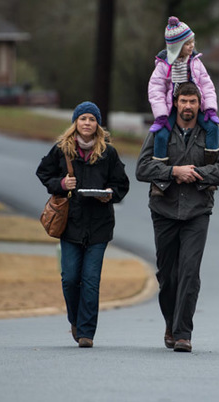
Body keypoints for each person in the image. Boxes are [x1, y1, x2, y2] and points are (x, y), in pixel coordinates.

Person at [136, 82, 219, 353]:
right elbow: (142, 169)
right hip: (164, 211)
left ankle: (183, 333)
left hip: (197, 211)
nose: (188, 106)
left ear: (200, 103)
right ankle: (170, 323)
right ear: (176, 103)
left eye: (193, 101)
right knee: (168, 276)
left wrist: (199, 174)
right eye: (184, 101)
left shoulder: (212, 134)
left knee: (190, 273)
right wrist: (173, 172)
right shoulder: (160, 132)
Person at [36, 101, 130, 348]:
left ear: (98, 124)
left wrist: (109, 192)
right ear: (75, 122)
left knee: (90, 279)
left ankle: (86, 332)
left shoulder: (108, 153)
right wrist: (60, 184)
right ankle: (75, 320)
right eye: (83, 118)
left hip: (99, 226)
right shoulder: (62, 150)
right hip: (71, 224)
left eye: (92, 119)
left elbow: (122, 184)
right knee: (69, 278)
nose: (87, 123)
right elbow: (43, 174)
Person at [148, 16, 219, 194]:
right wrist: (161, 115)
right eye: (187, 44)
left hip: (196, 106)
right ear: (176, 46)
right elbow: (155, 90)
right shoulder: (163, 65)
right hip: (172, 107)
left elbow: (207, 85)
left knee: (213, 128)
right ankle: (159, 181)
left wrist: (210, 108)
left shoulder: (196, 62)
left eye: (192, 42)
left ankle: (208, 175)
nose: (192, 46)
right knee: (161, 135)